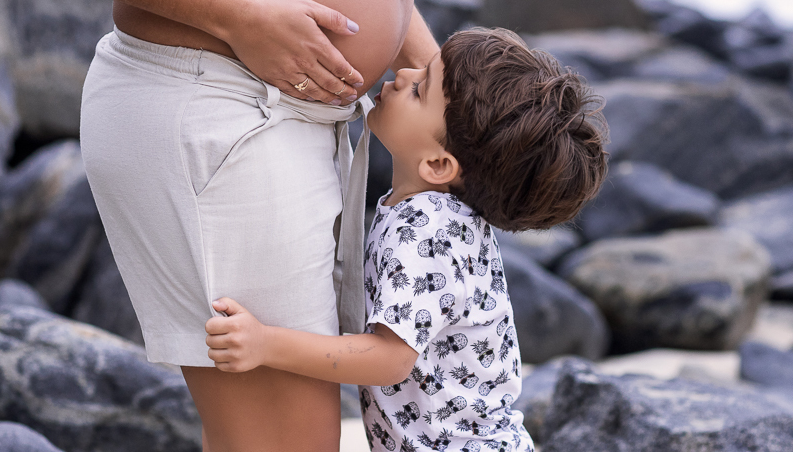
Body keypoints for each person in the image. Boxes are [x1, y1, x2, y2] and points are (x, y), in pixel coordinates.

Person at [0, 0, 439, 449]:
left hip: (287, 108)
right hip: (221, 107)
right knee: (281, 440)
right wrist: (234, 15)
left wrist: (424, 62)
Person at [202, 28, 609, 452]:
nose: (402, 74)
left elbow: (390, 359)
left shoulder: (424, 228)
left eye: (419, 89)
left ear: (436, 163)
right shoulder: (452, 218)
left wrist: (266, 343)